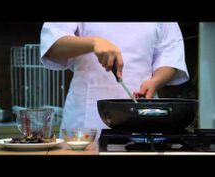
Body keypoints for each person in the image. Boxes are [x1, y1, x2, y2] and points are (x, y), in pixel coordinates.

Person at [40, 22, 189, 136]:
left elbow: (170, 55)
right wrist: (93, 43)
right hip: (86, 120)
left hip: (143, 114)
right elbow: (52, 45)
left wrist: (155, 81)